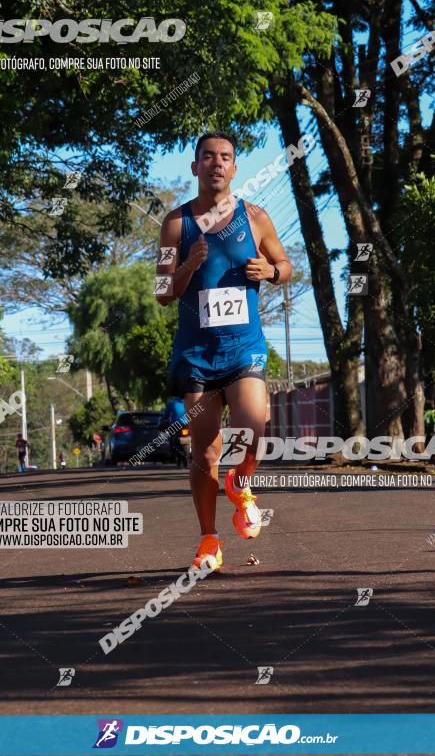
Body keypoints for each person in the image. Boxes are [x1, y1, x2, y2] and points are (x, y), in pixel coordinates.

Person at [157, 131, 292, 570]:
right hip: (197, 354)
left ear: (235, 168)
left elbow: (286, 265)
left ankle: (241, 482)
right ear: (195, 167)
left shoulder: (255, 217)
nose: (217, 163)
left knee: (254, 422)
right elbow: (161, 292)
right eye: (208, 157)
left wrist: (271, 270)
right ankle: (209, 540)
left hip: (243, 348)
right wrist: (188, 266)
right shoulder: (177, 224)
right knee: (205, 451)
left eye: (226, 157)